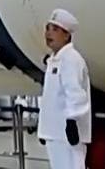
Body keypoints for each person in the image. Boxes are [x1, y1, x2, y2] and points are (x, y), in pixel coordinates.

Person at [39, 9, 91, 169]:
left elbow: (76, 94)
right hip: (55, 133)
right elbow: (51, 98)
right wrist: (43, 128)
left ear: (67, 35)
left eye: (55, 29)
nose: (49, 33)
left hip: (67, 134)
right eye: (48, 28)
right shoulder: (55, 60)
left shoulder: (71, 59)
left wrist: (72, 120)